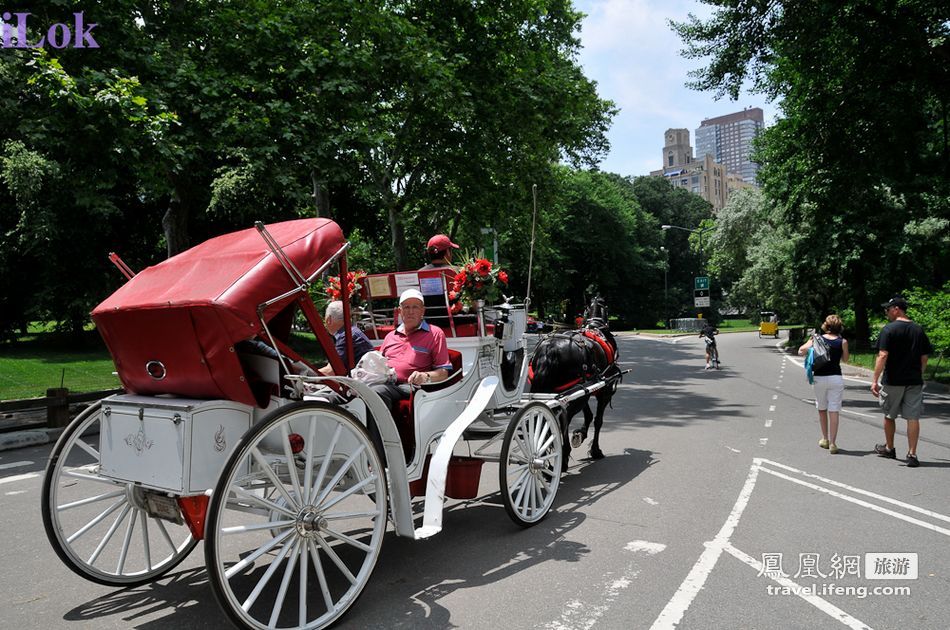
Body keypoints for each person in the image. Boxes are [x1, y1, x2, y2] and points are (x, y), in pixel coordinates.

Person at [871, 296, 933, 468]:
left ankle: (889, 448)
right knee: (913, 417)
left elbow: (883, 355)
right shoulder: (918, 330)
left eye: (888, 309)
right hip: (914, 381)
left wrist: (874, 380)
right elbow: (924, 357)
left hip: (893, 380)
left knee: (889, 415)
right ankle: (912, 454)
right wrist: (918, 374)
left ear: (896, 309)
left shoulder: (889, 330)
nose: (886, 312)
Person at [370, 289, 453, 416]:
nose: (410, 311)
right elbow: (378, 363)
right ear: (400, 311)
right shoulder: (390, 336)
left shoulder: (435, 333)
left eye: (415, 307)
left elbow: (443, 373)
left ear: (422, 311)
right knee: (357, 391)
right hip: (385, 381)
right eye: (406, 307)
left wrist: (425, 376)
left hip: (409, 386)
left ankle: (380, 436)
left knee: (377, 391)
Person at [798, 314, 849, 454]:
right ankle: (833, 443)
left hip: (819, 378)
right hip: (836, 378)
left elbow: (801, 351)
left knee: (822, 409)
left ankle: (824, 439)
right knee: (834, 410)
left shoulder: (817, 339)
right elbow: (845, 359)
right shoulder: (842, 341)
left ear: (826, 326)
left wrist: (811, 348)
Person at [317, 300, 374, 375]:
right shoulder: (350, 332)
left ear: (328, 320)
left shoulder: (346, 336)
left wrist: (304, 375)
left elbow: (331, 371)